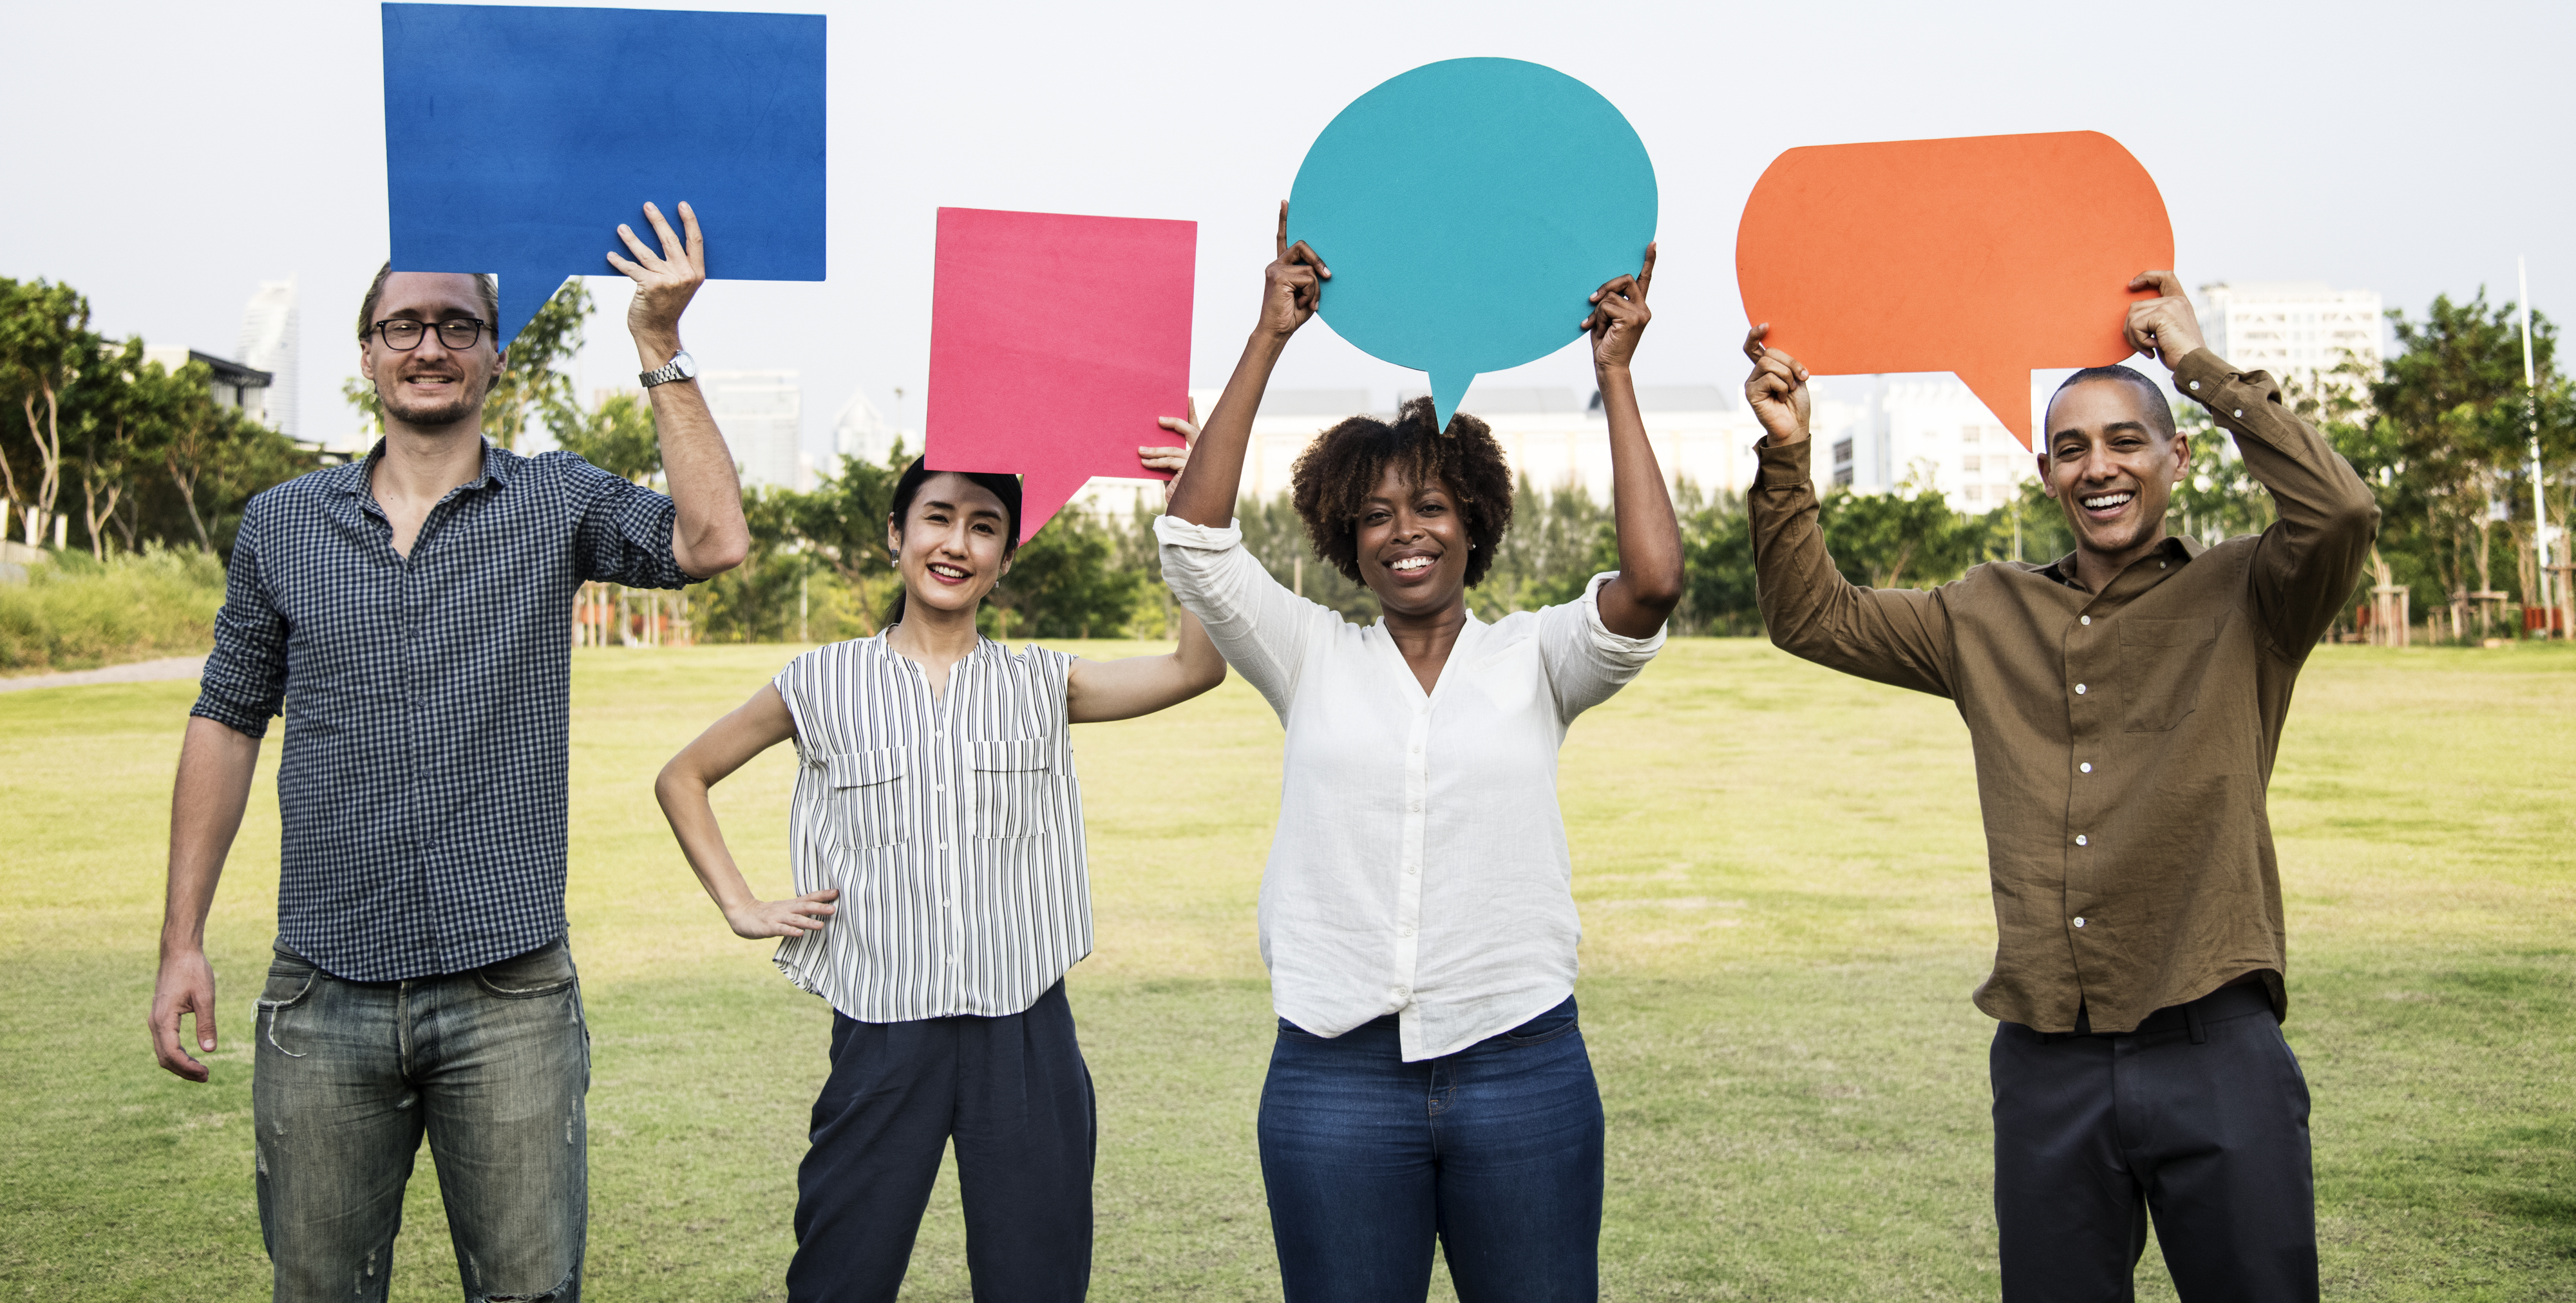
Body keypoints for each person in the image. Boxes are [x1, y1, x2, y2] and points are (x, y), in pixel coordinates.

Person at [148, 203, 750, 1303]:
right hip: (321, 992)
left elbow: (712, 540)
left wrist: (660, 342)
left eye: (457, 326)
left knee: (528, 1291)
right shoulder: (282, 525)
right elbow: (227, 721)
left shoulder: (556, 500)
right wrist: (181, 939)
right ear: (368, 352)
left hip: (508, 993)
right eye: (404, 325)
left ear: (496, 355)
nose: (430, 346)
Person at [1741, 274, 2376, 1301]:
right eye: (2073, 448)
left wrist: (2199, 368)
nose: (2101, 467)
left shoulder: (2252, 592)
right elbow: (1813, 617)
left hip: (2217, 1044)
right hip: (2048, 1063)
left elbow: (2341, 506)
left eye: (2128, 439)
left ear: (2175, 457)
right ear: (2045, 474)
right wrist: (1785, 453)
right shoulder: (1983, 613)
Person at [1155, 205, 1683, 1302]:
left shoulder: (1537, 659)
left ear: (1474, 521)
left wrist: (1615, 374)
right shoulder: (1307, 655)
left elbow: (1653, 584)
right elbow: (1196, 541)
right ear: (1346, 539)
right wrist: (1269, 336)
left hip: (1521, 1063)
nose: (1407, 531)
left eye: (1432, 506)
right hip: (1333, 1074)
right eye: (1377, 515)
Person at [652, 435, 1228, 1303]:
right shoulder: (820, 681)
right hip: (883, 1033)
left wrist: (1191, 507)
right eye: (938, 518)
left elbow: (1197, 666)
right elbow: (683, 776)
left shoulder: (1043, 682)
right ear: (897, 533)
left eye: (985, 528)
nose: (957, 543)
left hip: (1026, 1034)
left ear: (1005, 558)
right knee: (840, 1277)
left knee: (1036, 1279)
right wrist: (740, 904)